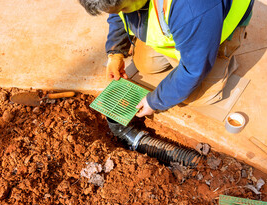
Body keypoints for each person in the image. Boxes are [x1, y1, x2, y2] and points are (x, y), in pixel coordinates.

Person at [79, 0, 254, 118]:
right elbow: (116, 12)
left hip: (211, 21)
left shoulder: (191, 8)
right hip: (189, 20)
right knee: (145, 64)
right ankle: (177, 36)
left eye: (123, 8)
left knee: (193, 96)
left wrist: (155, 101)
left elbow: (194, 69)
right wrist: (115, 52)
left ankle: (221, 57)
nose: (119, 13)